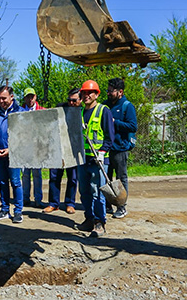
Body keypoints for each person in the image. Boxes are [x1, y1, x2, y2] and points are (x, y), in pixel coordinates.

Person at [75, 80, 114, 238]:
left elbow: (110, 137)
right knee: (84, 191)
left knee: (98, 192)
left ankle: (100, 223)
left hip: (98, 159)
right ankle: (89, 218)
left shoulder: (103, 111)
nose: (86, 95)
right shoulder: (80, 112)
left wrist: (102, 151)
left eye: (90, 93)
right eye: (84, 93)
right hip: (83, 158)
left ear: (97, 94)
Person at [0, 85, 25, 223]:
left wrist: (11, 148)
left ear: (11, 97)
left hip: (14, 154)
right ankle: (4, 209)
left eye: (4, 98)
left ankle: (18, 211)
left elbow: (24, 134)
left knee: (15, 182)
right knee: (2, 182)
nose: (1, 101)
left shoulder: (20, 112)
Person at [44, 88, 82, 214]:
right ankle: (53, 203)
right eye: (69, 100)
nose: (71, 103)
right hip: (58, 148)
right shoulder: (60, 108)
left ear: (80, 99)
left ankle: (70, 203)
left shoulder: (83, 111)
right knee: (54, 177)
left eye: (74, 100)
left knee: (72, 178)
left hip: (73, 150)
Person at [103, 78, 137, 219]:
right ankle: (108, 204)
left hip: (120, 148)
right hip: (106, 148)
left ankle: (121, 206)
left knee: (121, 178)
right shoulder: (104, 105)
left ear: (120, 92)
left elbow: (132, 126)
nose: (109, 93)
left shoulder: (127, 106)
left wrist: (115, 123)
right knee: (106, 178)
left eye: (111, 91)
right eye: (108, 90)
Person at [21, 87, 44, 207]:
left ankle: (38, 199)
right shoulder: (20, 112)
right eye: (27, 97)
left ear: (35, 97)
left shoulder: (42, 111)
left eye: (32, 96)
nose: (30, 99)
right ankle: (25, 198)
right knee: (25, 174)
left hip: (37, 148)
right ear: (24, 98)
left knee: (37, 174)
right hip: (24, 148)